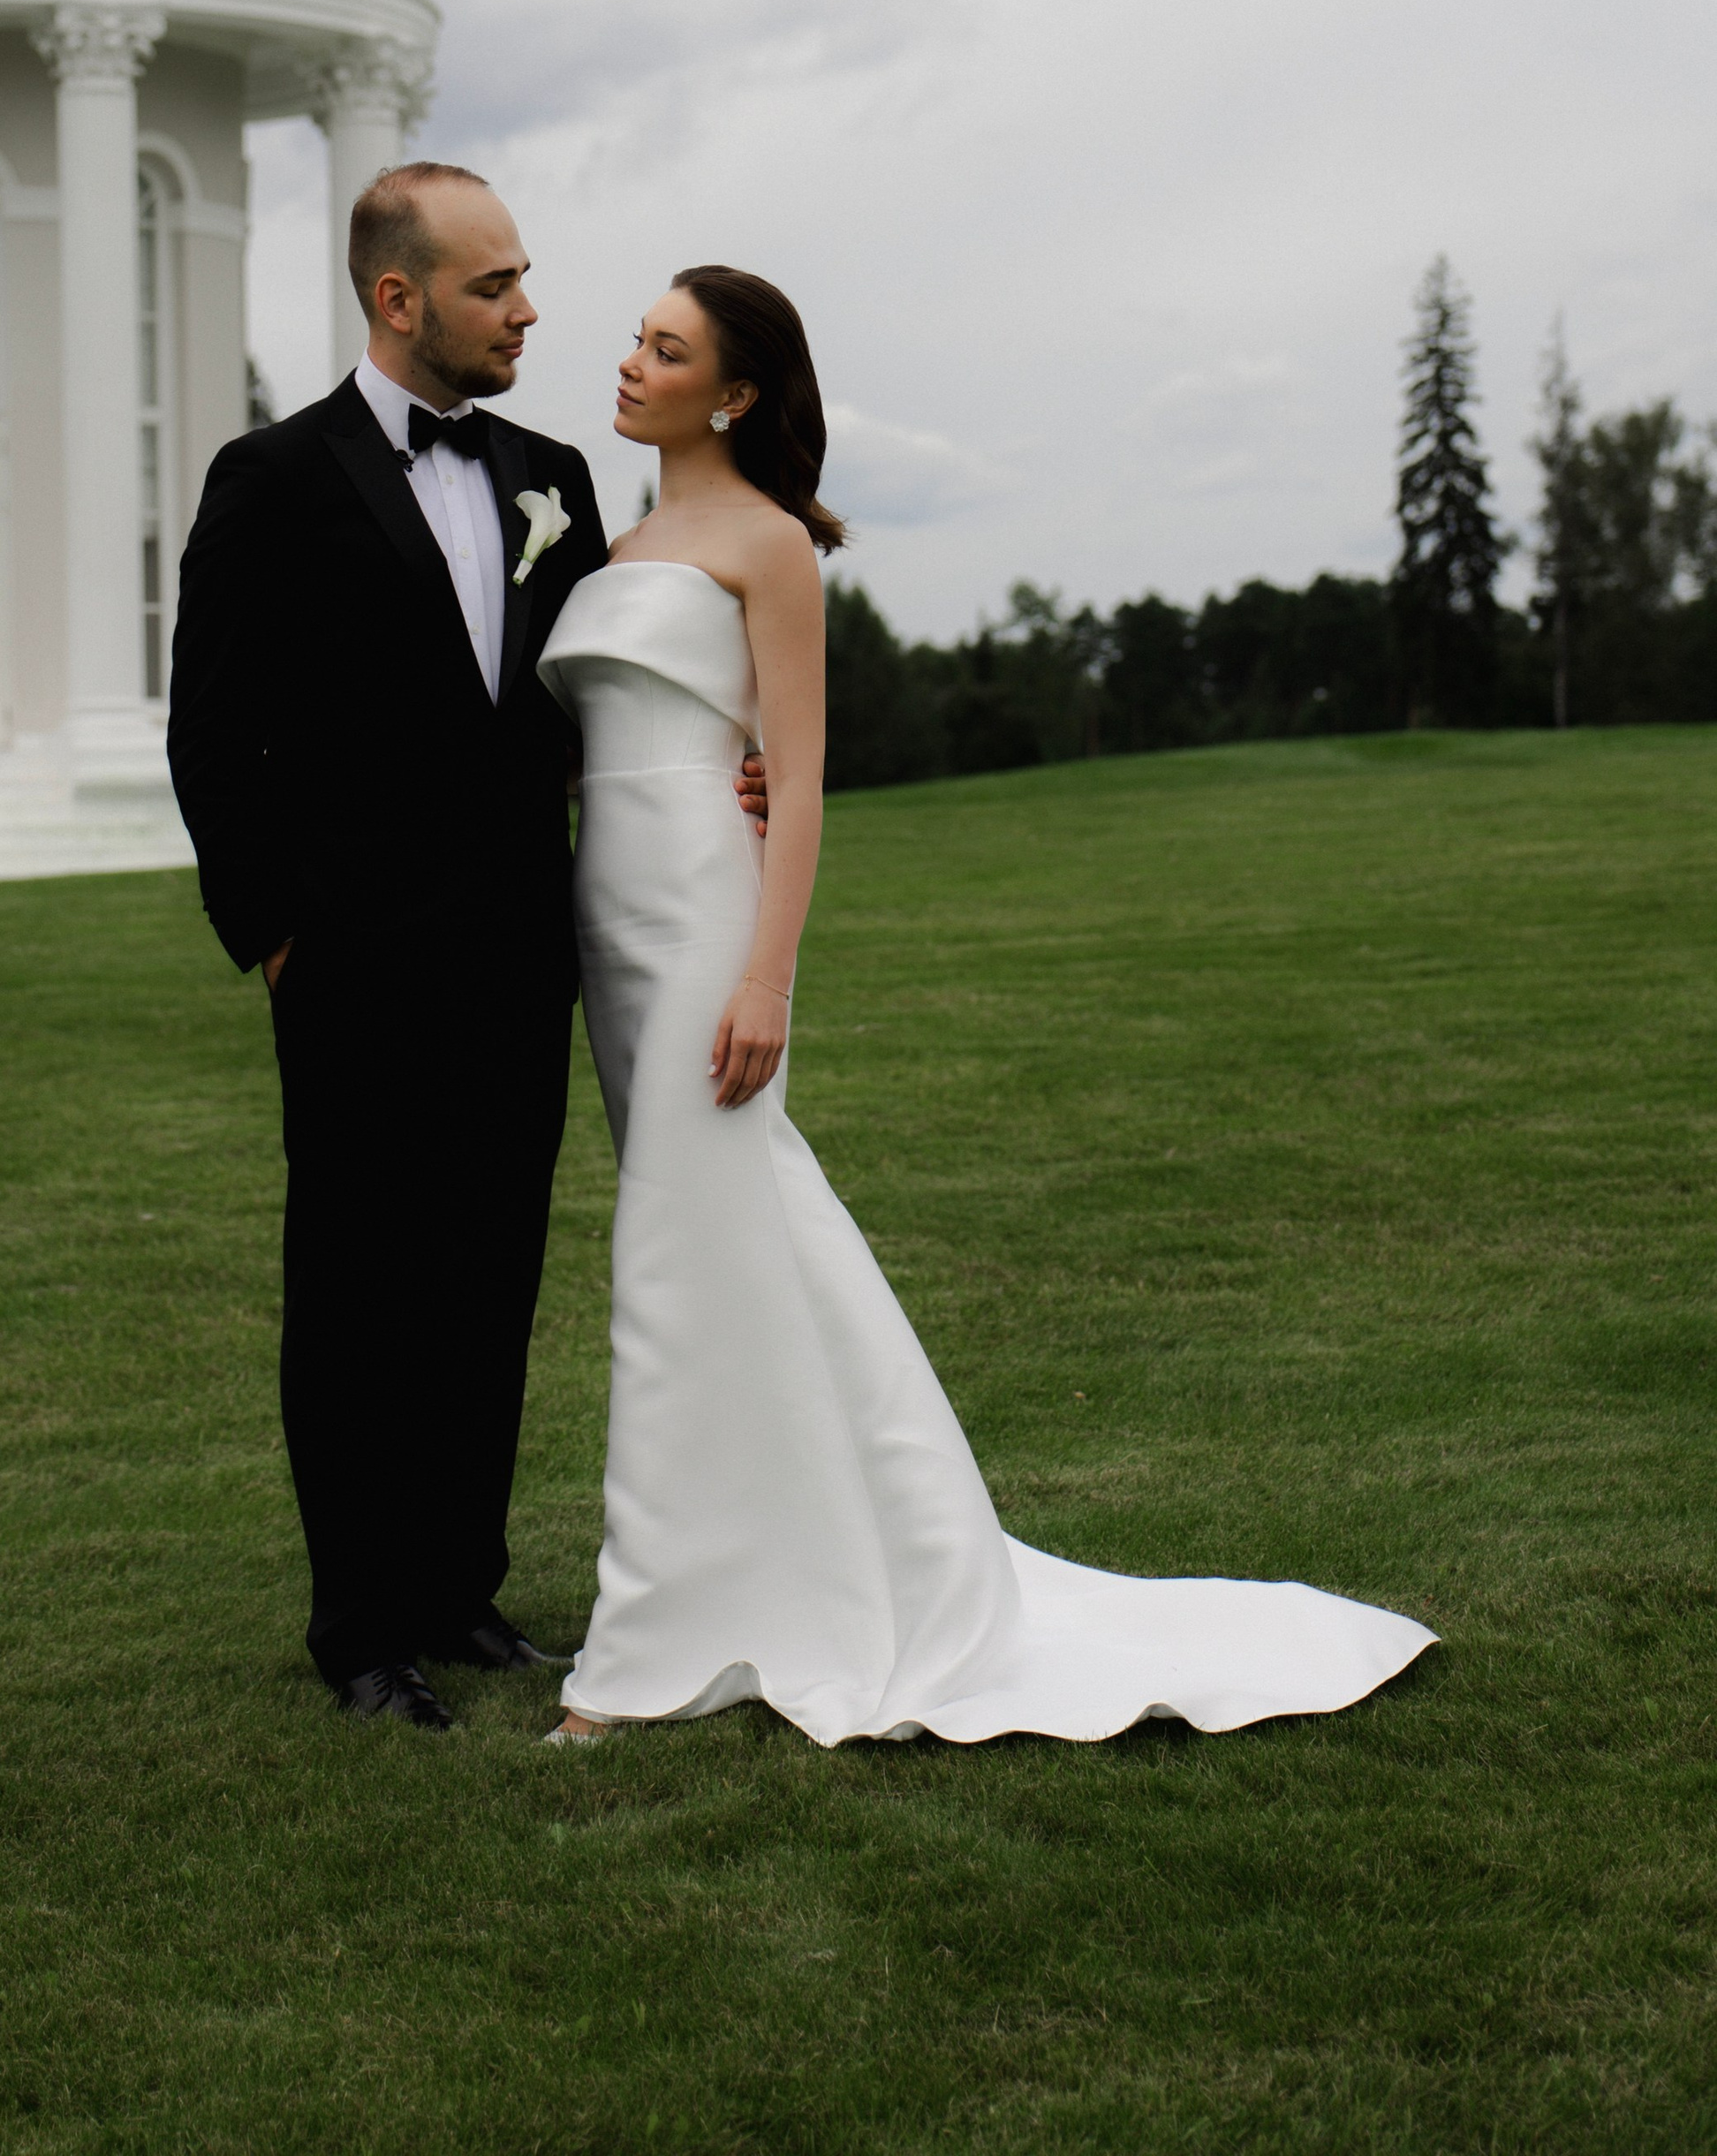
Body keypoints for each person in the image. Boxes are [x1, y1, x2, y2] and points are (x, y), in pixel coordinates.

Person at [538, 266, 1435, 1746]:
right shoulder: (618, 536)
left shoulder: (769, 546)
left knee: (672, 1268)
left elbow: (803, 776)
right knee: (728, 1246)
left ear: (738, 391)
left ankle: (640, 1652)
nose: (629, 362)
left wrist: (768, 975)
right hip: (606, 926)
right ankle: (798, 1556)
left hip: (703, 916)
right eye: (636, 338)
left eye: (667, 348)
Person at [165, 164, 762, 1730]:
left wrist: (730, 752)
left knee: (490, 1278)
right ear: (398, 298)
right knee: (359, 1288)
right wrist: (276, 938)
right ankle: (360, 1627)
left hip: (519, 956)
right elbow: (215, 737)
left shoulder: (552, 474)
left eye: (522, 280)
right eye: (495, 286)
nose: (528, 311)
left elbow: (615, 674)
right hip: (350, 967)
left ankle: (459, 1589)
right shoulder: (270, 480)